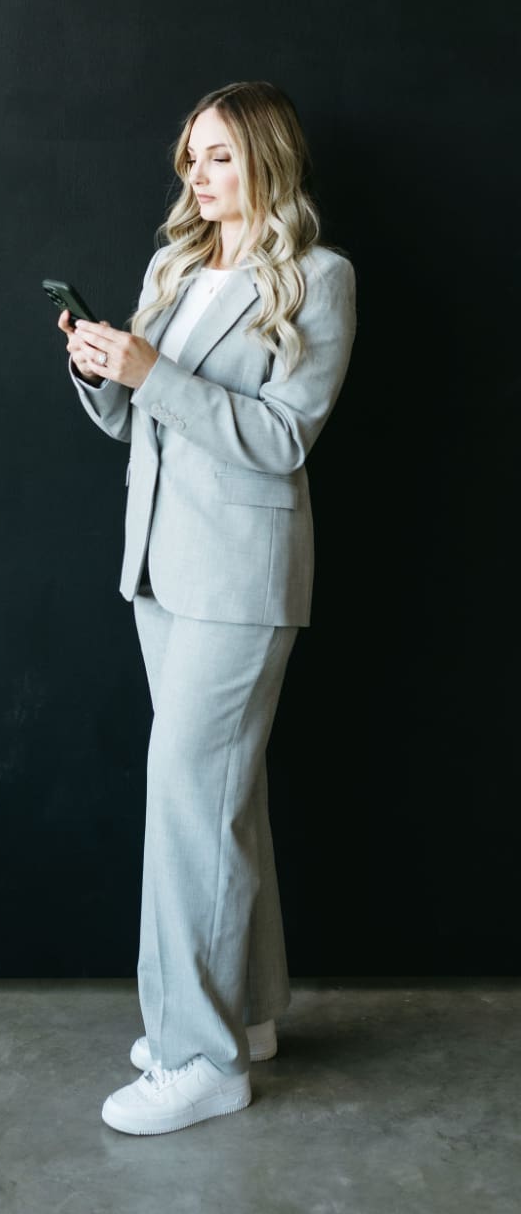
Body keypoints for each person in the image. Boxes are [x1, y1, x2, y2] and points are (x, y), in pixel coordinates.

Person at [57, 80, 357, 1137]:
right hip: (159, 565)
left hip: (240, 573)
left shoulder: (319, 279)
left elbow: (282, 440)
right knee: (222, 797)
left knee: (186, 797)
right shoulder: (174, 265)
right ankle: (246, 1014)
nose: (198, 175)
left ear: (267, 160)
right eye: (190, 155)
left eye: (220, 155)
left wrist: (156, 372)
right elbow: (143, 422)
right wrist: (104, 372)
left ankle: (198, 1056)